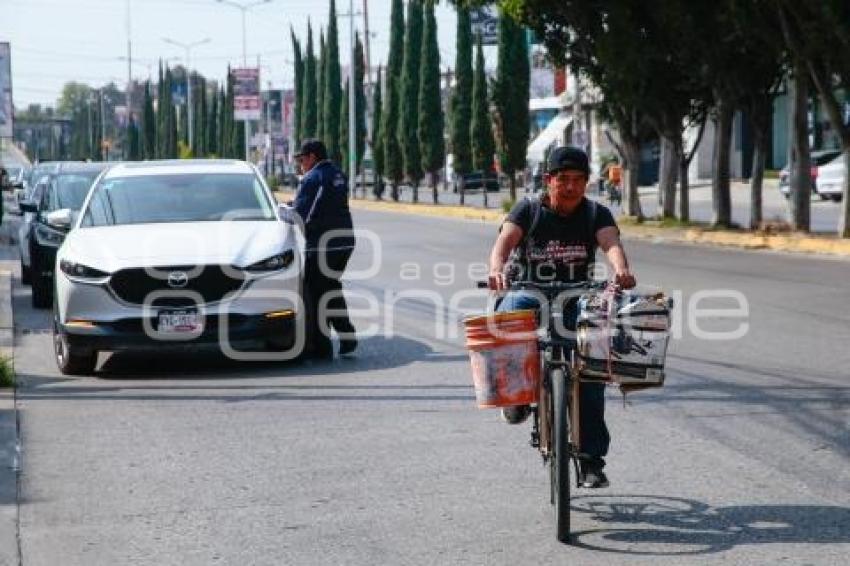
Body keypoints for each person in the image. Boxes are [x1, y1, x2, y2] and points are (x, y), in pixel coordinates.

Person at [487, 146, 636, 489]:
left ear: (586, 182)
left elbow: (611, 244)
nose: (570, 187)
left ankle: (589, 461)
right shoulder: (529, 209)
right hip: (530, 288)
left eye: (578, 180)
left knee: (592, 373)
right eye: (563, 180)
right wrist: (496, 269)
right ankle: (517, 396)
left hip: (577, 294)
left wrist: (622, 270)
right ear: (548, 180)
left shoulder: (595, 213)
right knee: (508, 314)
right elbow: (504, 242)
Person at [292, 139, 357, 359]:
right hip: (344, 242)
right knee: (330, 288)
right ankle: (347, 337)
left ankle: (322, 346)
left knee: (317, 294)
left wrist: (284, 213)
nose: (300, 164)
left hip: (323, 247)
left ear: (311, 157)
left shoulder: (311, 178)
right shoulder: (337, 174)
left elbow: (300, 215)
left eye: (301, 159)